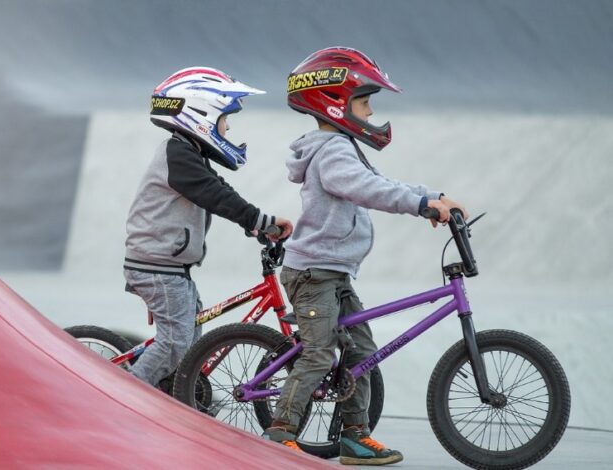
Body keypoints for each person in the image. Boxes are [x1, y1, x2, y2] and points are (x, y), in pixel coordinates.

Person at [262, 47, 467, 465]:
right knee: (319, 353)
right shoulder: (332, 152)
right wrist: (419, 206)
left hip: (332, 272)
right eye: (365, 101)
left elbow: (382, 181)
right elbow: (368, 190)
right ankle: (279, 431)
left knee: (361, 354)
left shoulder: (340, 147)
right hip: (313, 274)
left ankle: (355, 436)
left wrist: (430, 196)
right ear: (335, 103)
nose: (371, 111)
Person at [123, 67, 293, 389]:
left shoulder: (188, 153)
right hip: (156, 268)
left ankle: (175, 394)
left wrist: (260, 225)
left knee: (190, 343)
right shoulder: (177, 154)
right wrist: (261, 222)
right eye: (224, 119)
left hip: (172, 268)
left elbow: (220, 188)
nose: (227, 128)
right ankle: (126, 395)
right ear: (200, 114)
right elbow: (215, 196)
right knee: (174, 344)